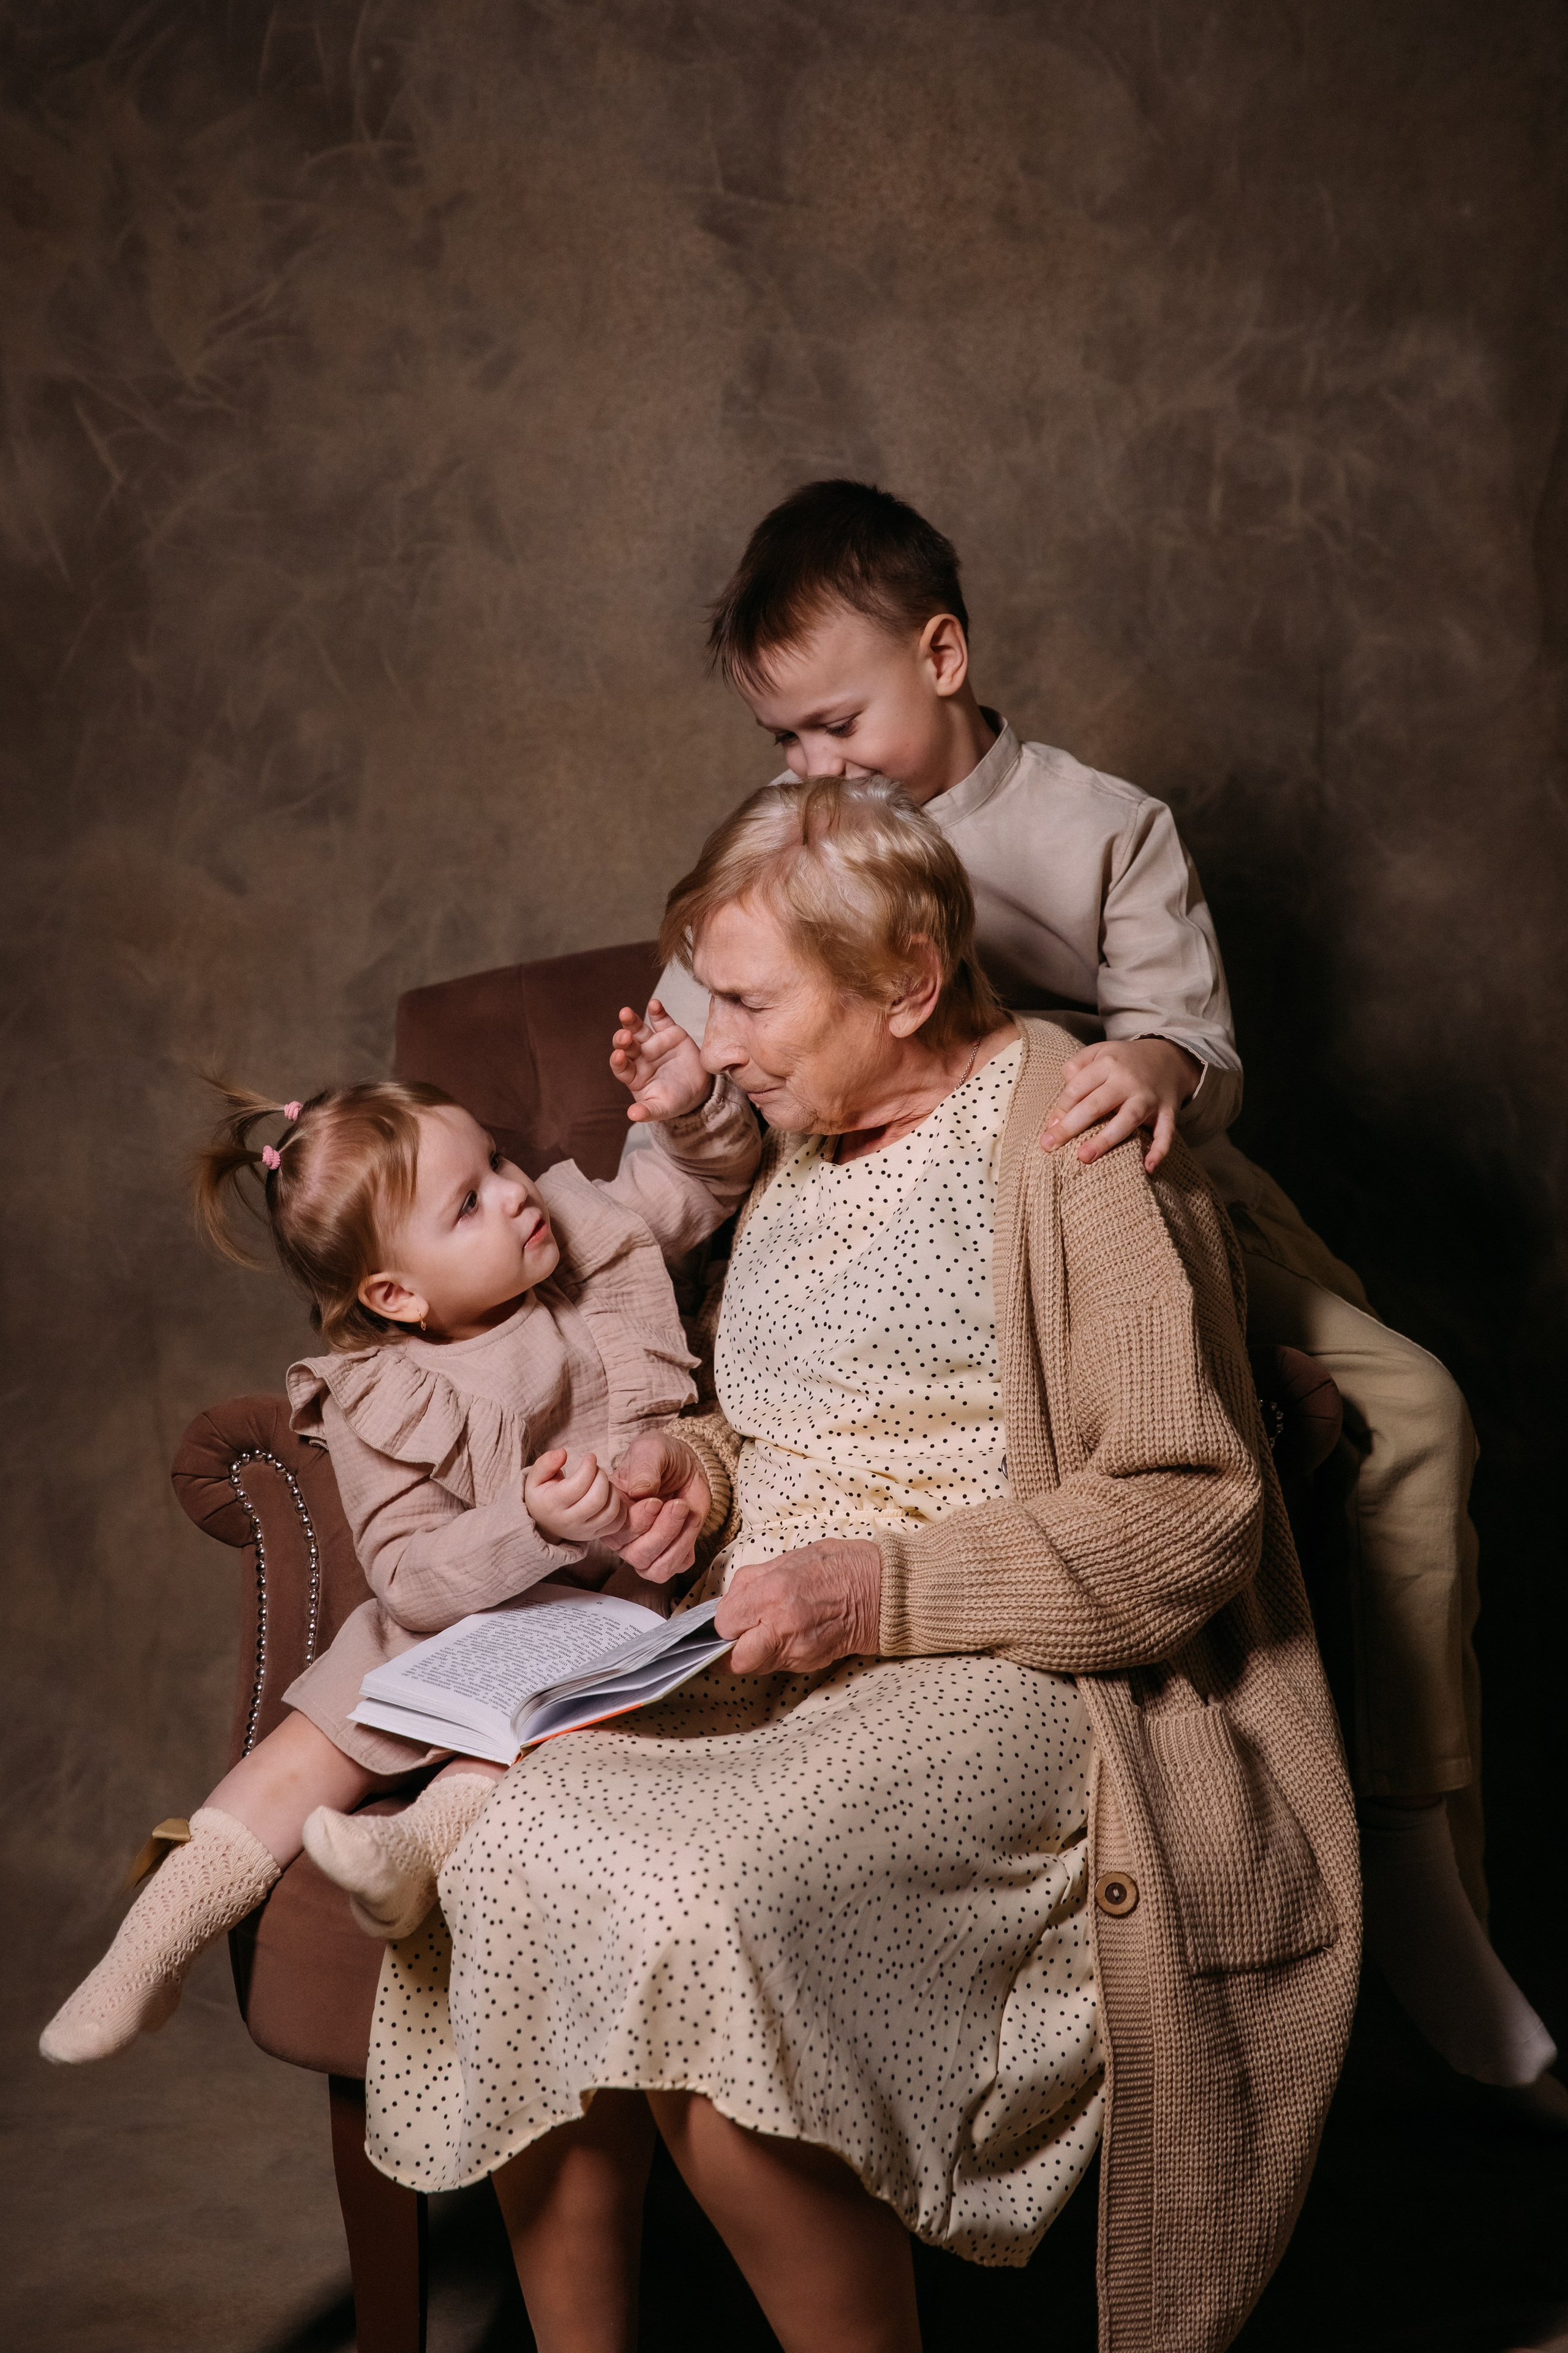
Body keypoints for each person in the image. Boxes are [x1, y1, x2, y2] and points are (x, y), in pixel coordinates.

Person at [361, 776, 1360, 2353]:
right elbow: (786, 1425)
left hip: (1016, 1662)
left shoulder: (1074, 1127)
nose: (724, 1045)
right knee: (508, 1854)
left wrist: (869, 1593)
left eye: (751, 1000)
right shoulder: (800, 1153)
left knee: (709, 1900)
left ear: (904, 980)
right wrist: (677, 1474)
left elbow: (1190, 1508)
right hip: (760, 1644)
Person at [635, 477, 1559, 2113]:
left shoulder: (1097, 821)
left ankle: (1415, 1850)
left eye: (837, 721)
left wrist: (1150, 1056)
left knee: (1413, 1410)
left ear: (943, 652)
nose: (815, 768)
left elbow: (1198, 1045)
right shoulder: (793, 862)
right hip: (928, 1241)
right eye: (783, 741)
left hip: (1133, 1189)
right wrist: (681, 1082)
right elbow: (728, 1056)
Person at [40, 1014, 757, 2066]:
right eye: (469, 1203)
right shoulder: (384, 1392)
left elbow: (714, 1180)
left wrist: (691, 1102)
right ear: (395, 1295)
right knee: (314, 1730)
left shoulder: (588, 1233)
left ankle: (412, 1850)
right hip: (454, 1609)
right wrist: (531, 1521)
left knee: (532, 1732)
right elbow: (411, 1576)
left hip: (618, 1602)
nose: (516, 1192)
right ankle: (150, 1944)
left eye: (499, 1162)